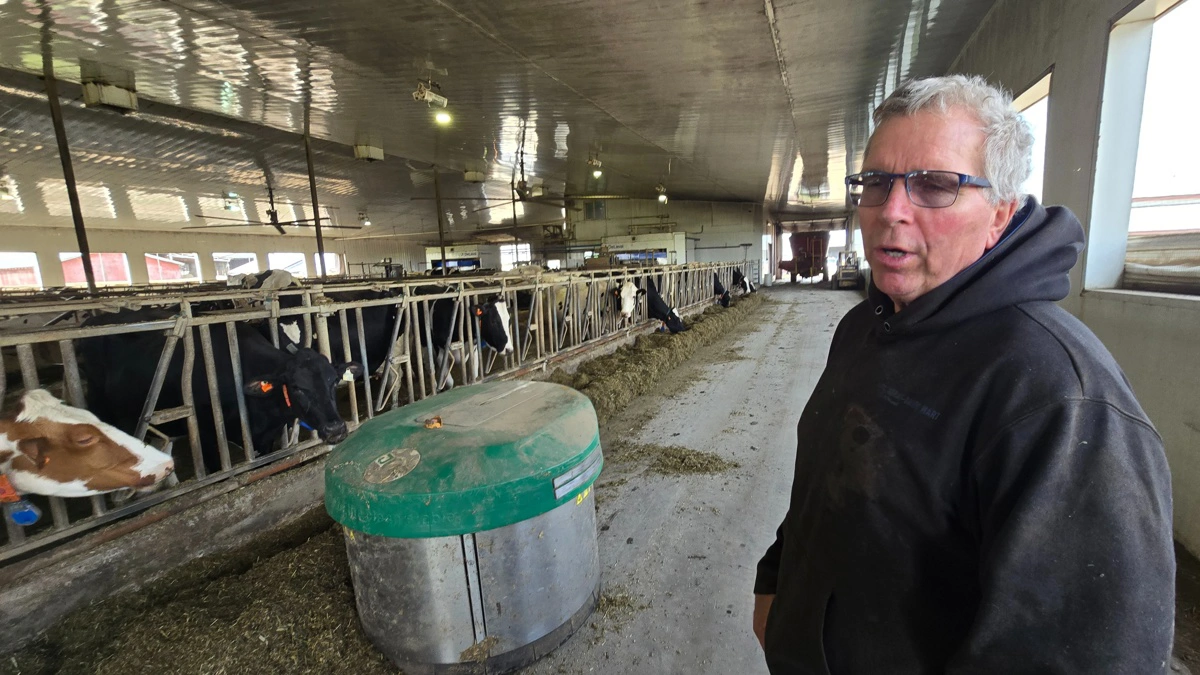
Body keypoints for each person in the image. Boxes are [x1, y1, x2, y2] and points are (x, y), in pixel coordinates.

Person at [753, 75, 1175, 674]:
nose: (892, 211)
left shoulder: (1059, 397)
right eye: (876, 182)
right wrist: (777, 582)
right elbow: (826, 478)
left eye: (935, 185)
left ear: (999, 215)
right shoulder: (866, 328)